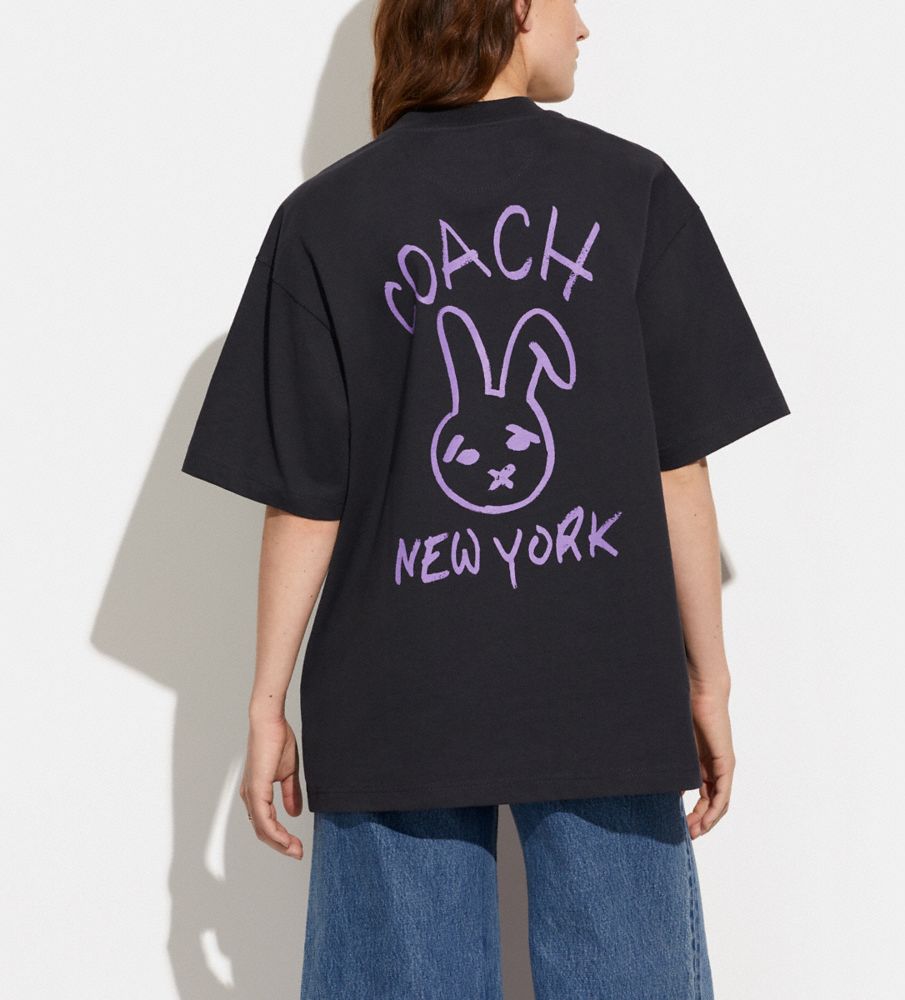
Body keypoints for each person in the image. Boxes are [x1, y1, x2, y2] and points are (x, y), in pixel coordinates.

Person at [181, 0, 790, 996]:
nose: (584, 27)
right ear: (512, 8)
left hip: (393, 700)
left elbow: (305, 498)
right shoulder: (631, 190)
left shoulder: (327, 217)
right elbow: (677, 467)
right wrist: (708, 681)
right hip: (603, 689)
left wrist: (265, 702)